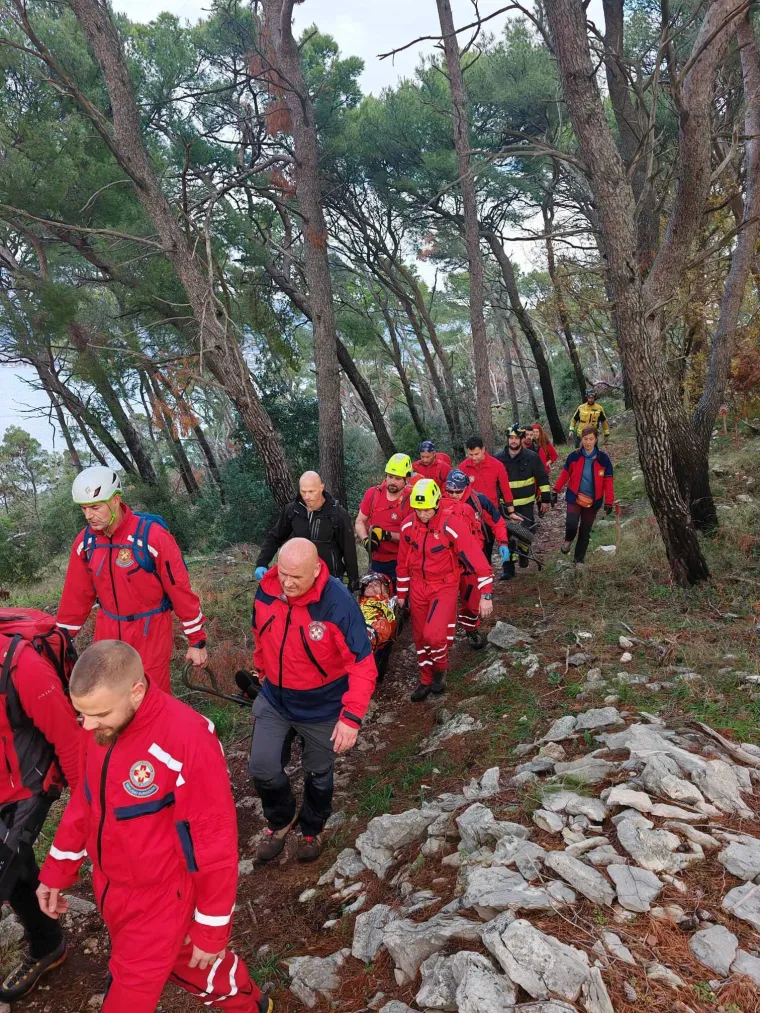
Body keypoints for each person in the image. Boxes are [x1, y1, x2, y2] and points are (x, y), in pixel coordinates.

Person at [36, 640, 267, 1012]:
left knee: (130, 991)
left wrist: (212, 928)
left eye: (99, 714)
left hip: (161, 900)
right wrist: (57, 870)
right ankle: (251, 1003)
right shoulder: (98, 728)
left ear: (137, 691)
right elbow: (86, 801)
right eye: (81, 714)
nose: (88, 725)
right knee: (184, 961)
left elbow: (214, 843)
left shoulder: (188, 739)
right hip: (112, 887)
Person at [249, 540, 376, 864]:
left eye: (296, 578)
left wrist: (351, 718)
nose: (287, 584)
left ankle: (312, 826)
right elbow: (261, 634)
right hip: (276, 699)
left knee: (318, 772)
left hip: (323, 707)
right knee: (262, 767)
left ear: (317, 570)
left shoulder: (336, 604)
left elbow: (362, 664)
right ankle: (281, 819)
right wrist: (261, 669)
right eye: (283, 574)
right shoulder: (267, 590)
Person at [56, 467, 207, 695]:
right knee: (112, 696)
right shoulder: (86, 542)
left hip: (150, 630)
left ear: (116, 500)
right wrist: (58, 643)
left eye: (95, 507)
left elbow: (180, 591)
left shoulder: (153, 537)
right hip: (107, 629)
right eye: (84, 509)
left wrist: (197, 641)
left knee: (150, 696)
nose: (88, 516)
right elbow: (76, 598)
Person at [0, 634, 80, 1001]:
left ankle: (46, 944)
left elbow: (68, 738)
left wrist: (85, 803)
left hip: (27, 784)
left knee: (7, 863)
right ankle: (47, 941)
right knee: (15, 864)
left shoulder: (23, 666)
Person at [396, 480, 493, 702]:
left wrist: (486, 594)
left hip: (444, 586)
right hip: (418, 586)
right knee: (420, 638)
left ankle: (440, 670)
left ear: (437, 504)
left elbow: (477, 559)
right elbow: (403, 562)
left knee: (434, 635)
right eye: (418, 509)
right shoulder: (407, 526)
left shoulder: (451, 525)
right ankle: (426, 678)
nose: (422, 514)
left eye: (427, 509)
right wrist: (402, 594)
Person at [442, 470, 510, 650]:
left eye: (458, 491)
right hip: (447, 562)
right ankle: (440, 640)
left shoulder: (479, 501)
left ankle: (470, 629)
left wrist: (503, 542)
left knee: (472, 602)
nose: (454, 495)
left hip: (471, 562)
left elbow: (497, 521)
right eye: (450, 491)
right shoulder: (438, 503)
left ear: (466, 487)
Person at [255, 471, 358, 586]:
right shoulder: (292, 510)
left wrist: (353, 582)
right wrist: (262, 562)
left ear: (321, 487)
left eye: (311, 491)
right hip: (301, 577)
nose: (307, 496)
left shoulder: (337, 514)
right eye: (303, 491)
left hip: (330, 578)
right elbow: (275, 536)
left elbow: (349, 550)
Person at [554, 425, 615, 565]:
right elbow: (565, 474)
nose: (588, 442)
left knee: (585, 531)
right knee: (571, 524)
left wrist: (609, 501)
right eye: (585, 439)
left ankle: (579, 560)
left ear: (596, 439)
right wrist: (555, 490)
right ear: (581, 439)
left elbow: (608, 481)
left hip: (593, 501)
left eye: (591, 439)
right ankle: (568, 540)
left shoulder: (603, 459)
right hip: (574, 497)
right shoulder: (574, 456)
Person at [496, 425, 551, 579]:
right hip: (504, 506)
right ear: (507, 439)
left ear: (521, 439)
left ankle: (524, 551)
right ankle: (508, 568)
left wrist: (545, 500)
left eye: (516, 438)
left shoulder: (532, 457)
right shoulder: (498, 458)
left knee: (526, 533)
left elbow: (542, 478)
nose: (513, 441)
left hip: (526, 505)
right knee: (504, 537)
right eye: (511, 438)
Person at [355, 454, 413, 585]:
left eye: (397, 478)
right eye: (390, 477)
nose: (392, 481)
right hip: (376, 559)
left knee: (401, 600)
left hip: (401, 560)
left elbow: (413, 536)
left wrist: (387, 535)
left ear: (407, 479)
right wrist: (365, 539)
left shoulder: (410, 500)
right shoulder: (373, 494)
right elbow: (360, 521)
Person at [458, 437, 515, 561]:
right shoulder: (463, 467)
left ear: (484, 449)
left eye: (476, 454)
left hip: (491, 512)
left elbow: (505, 489)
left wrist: (511, 511)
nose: (474, 458)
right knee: (478, 548)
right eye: (471, 454)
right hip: (471, 516)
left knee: (492, 543)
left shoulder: (496, 465)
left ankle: (504, 570)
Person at [357, 572, 398, 680]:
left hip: (368, 634)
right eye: (369, 584)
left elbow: (389, 626)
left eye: (376, 584)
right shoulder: (356, 601)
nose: (371, 585)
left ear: (385, 591)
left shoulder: (385, 604)